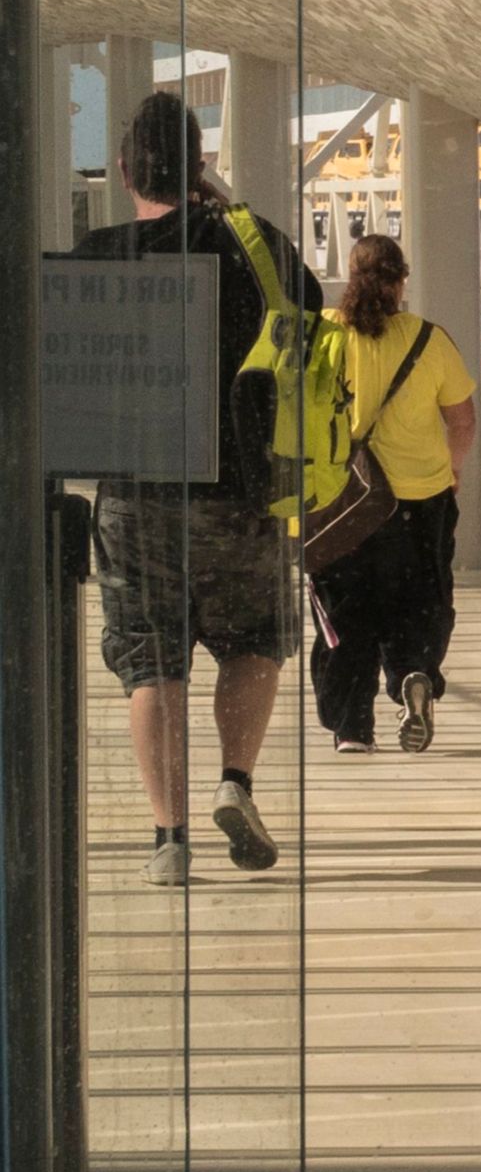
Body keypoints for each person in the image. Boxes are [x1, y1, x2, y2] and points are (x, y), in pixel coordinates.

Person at [72, 93, 320, 882]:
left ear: (121, 170)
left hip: (135, 489)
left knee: (153, 663)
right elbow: (310, 301)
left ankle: (168, 839)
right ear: (200, 163)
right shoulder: (245, 247)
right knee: (254, 643)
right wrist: (226, 204)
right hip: (239, 490)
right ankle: (234, 780)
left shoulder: (98, 257)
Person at [312, 234, 481, 755]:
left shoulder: (323, 335)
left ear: (349, 274)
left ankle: (352, 727)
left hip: (342, 497)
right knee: (418, 599)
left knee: (346, 608)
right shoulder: (430, 339)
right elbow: (462, 420)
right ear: (400, 281)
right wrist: (451, 469)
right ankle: (413, 672)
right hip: (421, 497)